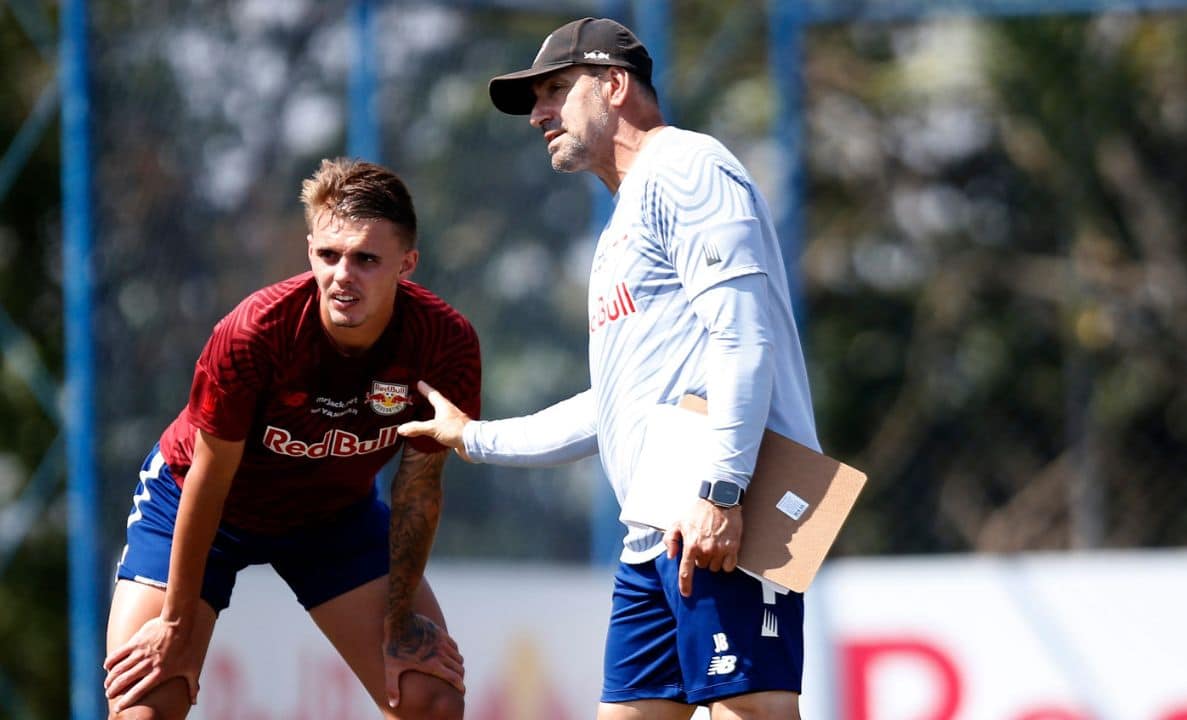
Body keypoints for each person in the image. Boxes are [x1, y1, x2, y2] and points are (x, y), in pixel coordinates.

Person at [399, 17, 818, 720]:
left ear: (615, 85)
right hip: (655, 527)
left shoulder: (687, 166)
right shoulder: (622, 222)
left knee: (755, 715)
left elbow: (744, 338)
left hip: (730, 509)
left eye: (556, 90)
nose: (538, 114)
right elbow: (618, 403)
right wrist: (473, 437)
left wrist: (722, 491)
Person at [102, 158, 480, 719]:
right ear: (310, 252)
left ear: (408, 264)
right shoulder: (255, 333)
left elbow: (419, 489)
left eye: (366, 259)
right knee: (147, 703)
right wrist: (177, 626)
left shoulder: (444, 342)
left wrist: (400, 621)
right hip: (201, 503)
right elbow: (210, 478)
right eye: (328, 256)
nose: (342, 275)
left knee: (431, 697)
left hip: (332, 517)